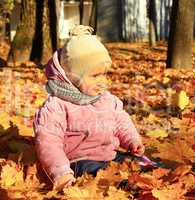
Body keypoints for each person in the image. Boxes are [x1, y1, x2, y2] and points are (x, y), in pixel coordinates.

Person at [33, 25, 146, 191]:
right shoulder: (57, 106)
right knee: (98, 173)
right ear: (72, 77)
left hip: (110, 155)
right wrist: (61, 171)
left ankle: (155, 171)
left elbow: (121, 121)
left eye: (104, 74)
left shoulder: (106, 99)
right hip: (79, 161)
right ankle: (122, 186)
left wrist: (132, 140)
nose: (102, 81)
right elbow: (48, 142)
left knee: (137, 162)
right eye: (94, 76)